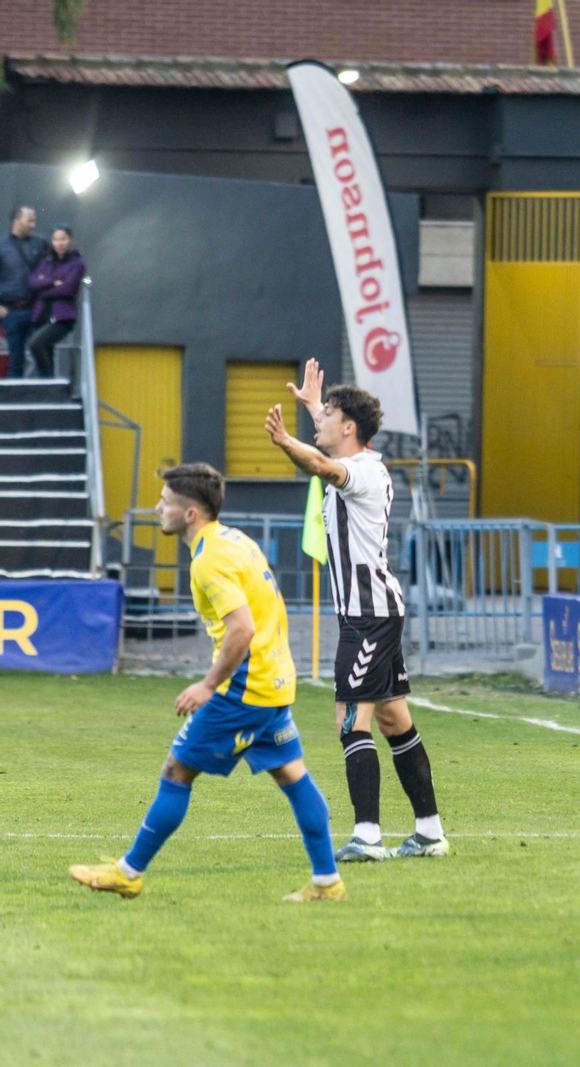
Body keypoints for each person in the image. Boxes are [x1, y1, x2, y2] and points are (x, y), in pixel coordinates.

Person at [68, 463, 343, 902]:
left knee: (176, 770)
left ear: (190, 513)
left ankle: (129, 872)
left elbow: (242, 628)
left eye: (166, 502)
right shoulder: (236, 540)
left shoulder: (209, 560)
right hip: (273, 681)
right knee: (293, 775)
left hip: (243, 689)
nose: (158, 508)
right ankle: (328, 883)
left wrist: (208, 685)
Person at [267, 367, 448, 860]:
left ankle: (367, 837)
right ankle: (429, 832)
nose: (319, 421)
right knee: (393, 720)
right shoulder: (357, 459)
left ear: (348, 427)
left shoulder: (362, 471)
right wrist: (314, 404)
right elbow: (329, 447)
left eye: (328, 415)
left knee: (351, 721)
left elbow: (322, 466)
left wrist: (285, 442)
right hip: (372, 613)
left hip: (369, 616)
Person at [23, 226, 85, 378]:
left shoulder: (77, 263)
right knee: (45, 349)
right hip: (42, 315)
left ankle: (47, 381)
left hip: (62, 317)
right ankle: (48, 382)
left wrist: (44, 293)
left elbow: (68, 288)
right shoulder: (47, 261)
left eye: (63, 239)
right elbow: (32, 282)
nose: (60, 243)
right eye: (56, 240)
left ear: (70, 240)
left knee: (36, 344)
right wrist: (52, 282)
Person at [0, 205, 46, 377]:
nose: (33, 225)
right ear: (16, 221)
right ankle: (15, 393)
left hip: (36, 309)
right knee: (15, 360)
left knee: (43, 355)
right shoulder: (1, 245)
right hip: (11, 311)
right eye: (30, 221)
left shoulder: (40, 244)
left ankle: (47, 390)